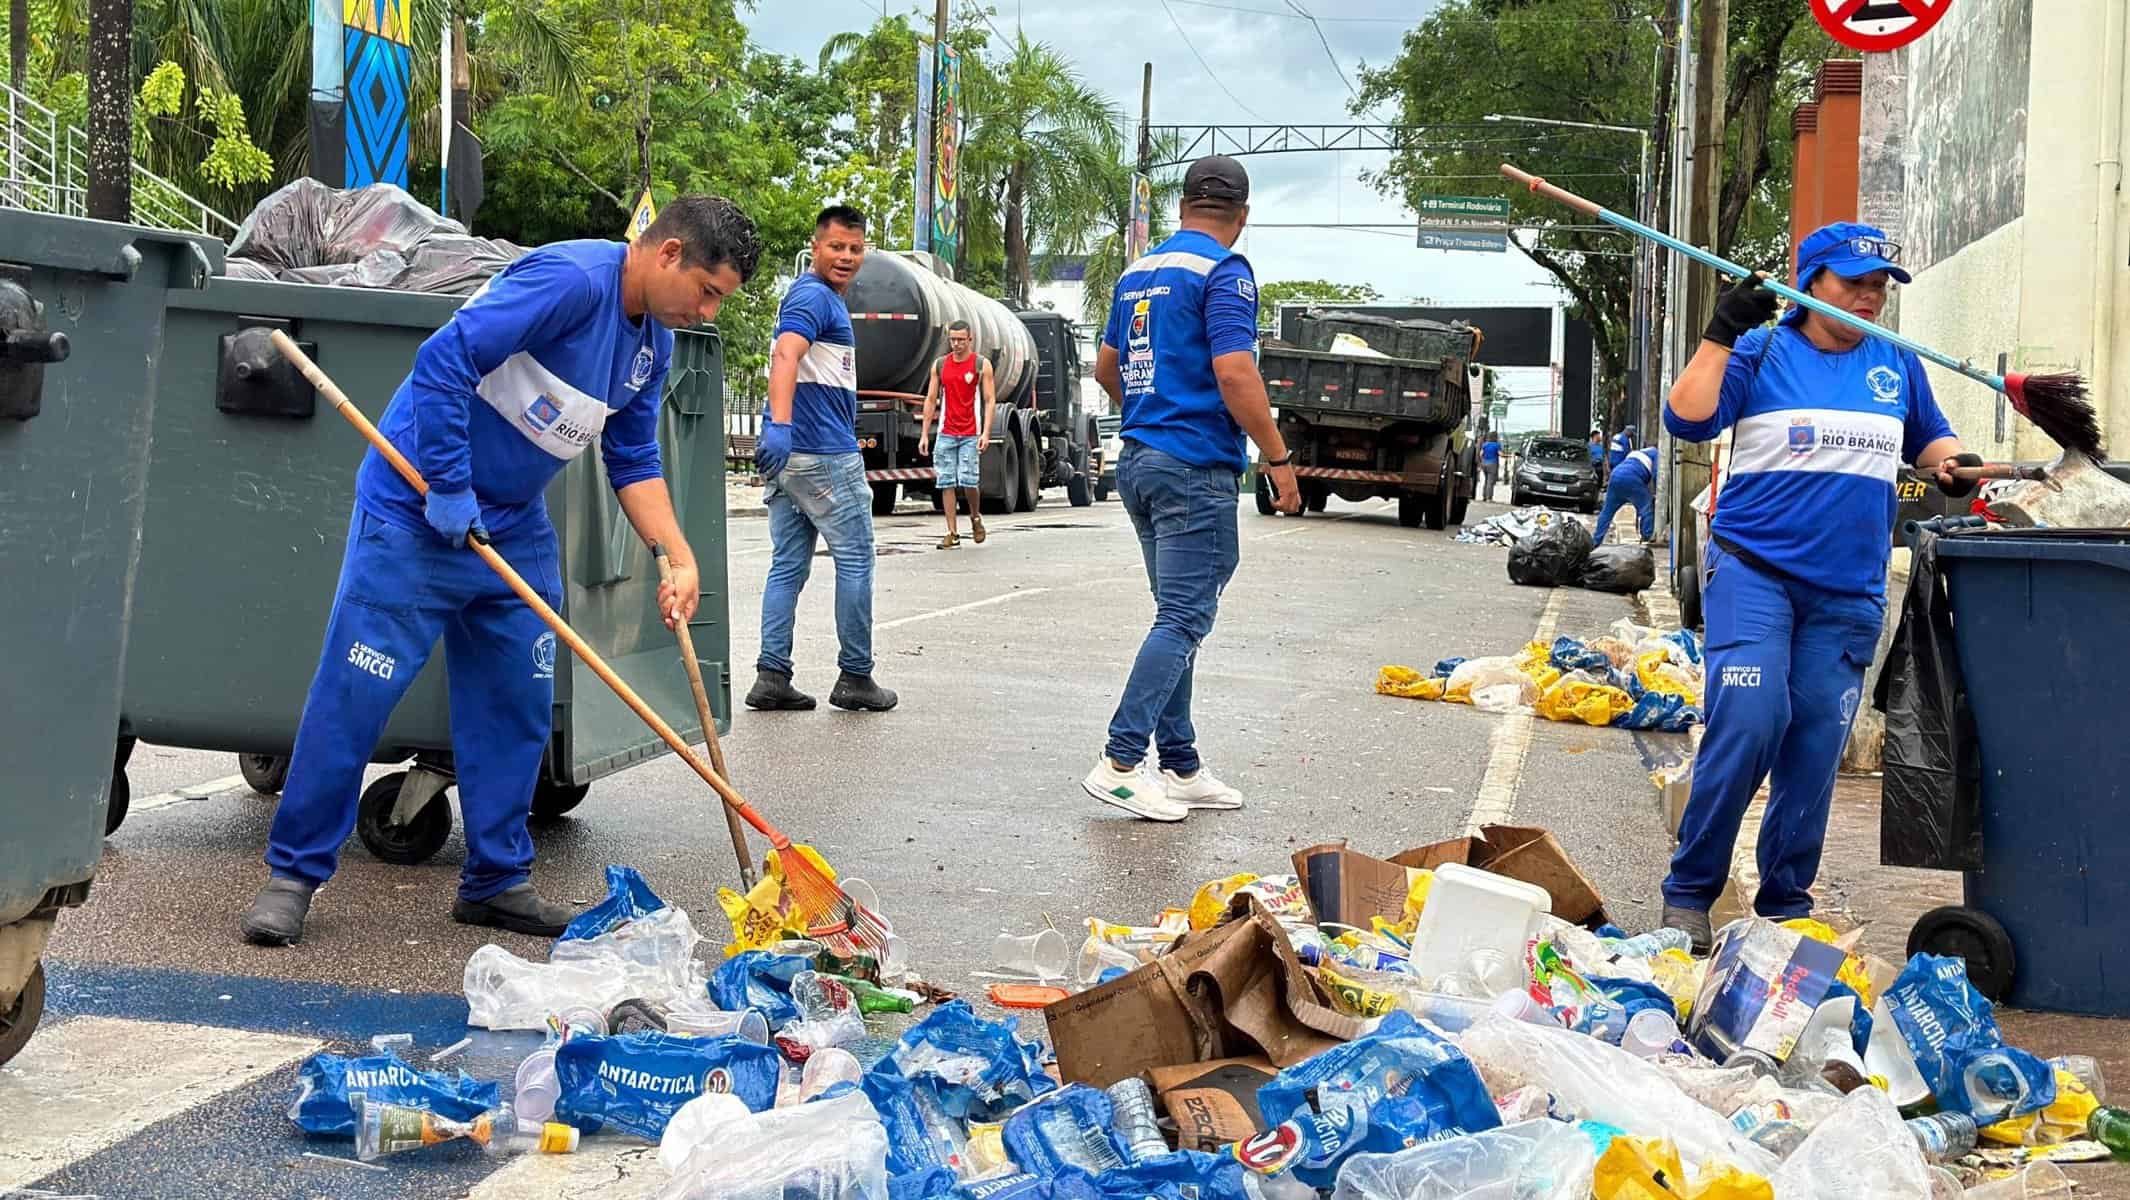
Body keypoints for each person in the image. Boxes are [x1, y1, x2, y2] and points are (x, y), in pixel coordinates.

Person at [240, 196, 764, 946]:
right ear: (670, 253)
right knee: (354, 696)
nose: (707, 311)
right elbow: (444, 360)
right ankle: (293, 875)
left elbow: (633, 456)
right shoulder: (569, 282)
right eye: (708, 292)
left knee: (517, 704)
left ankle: (494, 880)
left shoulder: (655, 345)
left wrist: (675, 555)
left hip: (513, 526)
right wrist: (448, 486)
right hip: (415, 508)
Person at [1659, 221, 1976, 952]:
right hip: (1755, 571)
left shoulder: (1897, 363)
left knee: (1812, 749)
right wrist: (1718, 334)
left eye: (1878, 287)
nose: (1869, 299)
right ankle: (1690, 892)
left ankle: (1784, 902)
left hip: (1847, 592)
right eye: (1852, 283)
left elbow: (1931, 439)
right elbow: (1686, 415)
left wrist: (1957, 461)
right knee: (1749, 719)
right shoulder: (1763, 350)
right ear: (1810, 285)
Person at [1083, 154, 1300, 822]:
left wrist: (1152, 409)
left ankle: (1179, 765)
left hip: (1141, 460)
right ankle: (1121, 762)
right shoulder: (1225, 272)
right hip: (1192, 466)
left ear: (1182, 208)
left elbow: (1107, 368)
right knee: (1184, 616)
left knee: (1177, 612)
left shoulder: (1138, 273)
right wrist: (1278, 459)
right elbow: (1236, 373)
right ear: (1242, 216)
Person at [745, 205, 898, 714]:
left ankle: (772, 675)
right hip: (824, 454)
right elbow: (786, 354)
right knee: (856, 559)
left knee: (788, 565)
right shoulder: (813, 297)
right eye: (836, 247)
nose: (846, 257)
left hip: (791, 463)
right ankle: (856, 675)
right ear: (815, 247)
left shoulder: (817, 297)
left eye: (855, 249)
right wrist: (781, 425)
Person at [919, 319, 995, 549]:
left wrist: (986, 433)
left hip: (971, 433)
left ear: (970, 339)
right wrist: (925, 433)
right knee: (946, 482)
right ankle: (952, 532)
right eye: (953, 339)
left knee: (969, 481)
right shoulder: (940, 365)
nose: (957, 344)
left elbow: (990, 400)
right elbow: (931, 399)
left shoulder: (981, 364)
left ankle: (975, 517)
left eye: (961, 340)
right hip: (946, 433)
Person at [1592, 443, 1657, 544]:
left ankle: (1595, 541)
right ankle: (1646, 539)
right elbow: (1657, 474)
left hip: (1615, 476)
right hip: (1632, 479)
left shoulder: (1635, 453)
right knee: (1647, 508)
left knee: (1607, 512)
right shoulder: (1656, 453)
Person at [1479, 431, 1503, 502]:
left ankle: (1484, 496)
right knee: (1490, 481)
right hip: (1492, 464)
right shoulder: (1497, 445)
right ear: (1496, 437)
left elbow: (1481, 454)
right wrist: (1508, 455)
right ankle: (1489, 498)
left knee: (1486, 481)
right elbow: (1500, 454)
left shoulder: (1485, 444)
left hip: (1484, 464)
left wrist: (1482, 461)